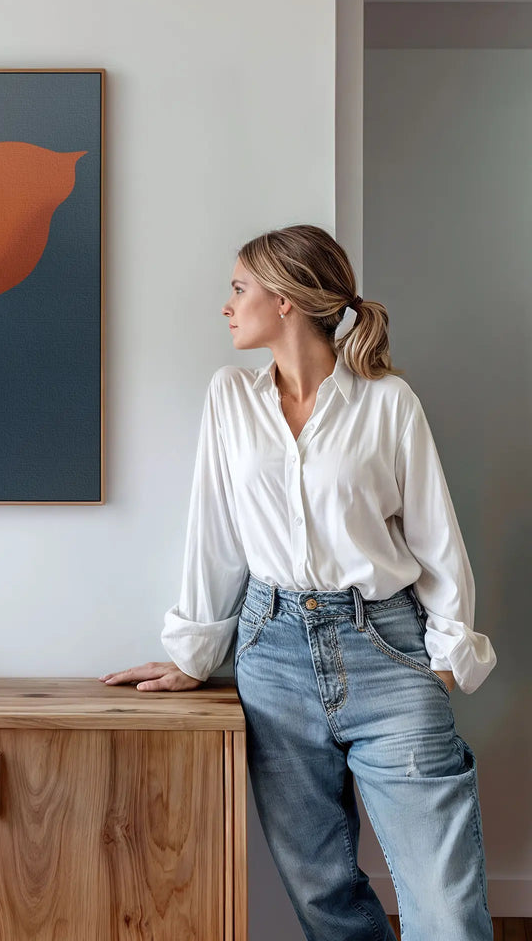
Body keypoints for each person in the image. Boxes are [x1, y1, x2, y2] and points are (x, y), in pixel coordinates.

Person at [101, 225, 496, 941]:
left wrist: (443, 661)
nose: (227, 305)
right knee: (323, 895)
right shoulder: (230, 397)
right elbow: (215, 534)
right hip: (272, 655)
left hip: (386, 648)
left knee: (444, 904)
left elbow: (436, 538)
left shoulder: (388, 402)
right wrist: (194, 653)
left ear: (285, 300)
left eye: (239, 288)